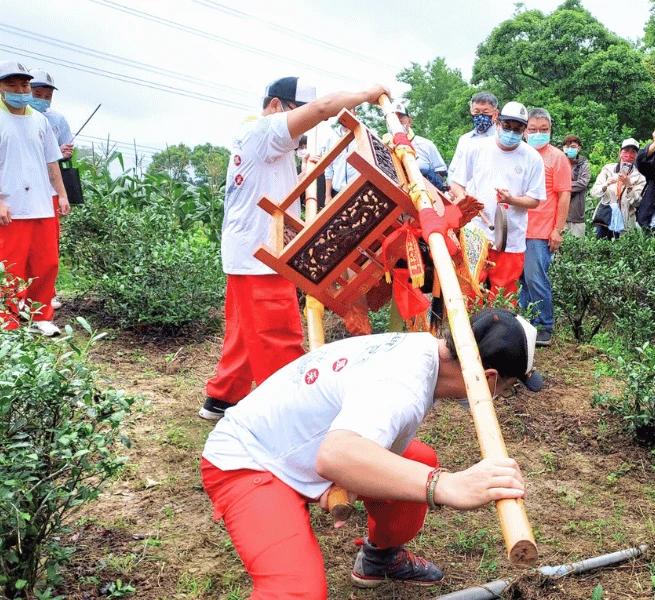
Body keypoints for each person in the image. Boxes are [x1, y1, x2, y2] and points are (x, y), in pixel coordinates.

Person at [201, 307, 533, 598]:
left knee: (419, 461)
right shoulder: (403, 385)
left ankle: (380, 560)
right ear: (488, 379)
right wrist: (446, 485)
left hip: (293, 442)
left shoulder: (422, 349)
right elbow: (336, 455)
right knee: (297, 591)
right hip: (249, 461)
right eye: (507, 387)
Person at [200, 77, 389, 420]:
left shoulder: (264, 141)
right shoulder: (267, 130)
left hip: (248, 250)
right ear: (275, 105)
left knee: (243, 335)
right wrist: (367, 94)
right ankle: (292, 415)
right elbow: (320, 110)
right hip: (261, 256)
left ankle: (222, 398)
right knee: (279, 338)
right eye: (296, 113)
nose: (304, 124)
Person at [449, 102, 545, 302]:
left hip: (510, 238)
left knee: (504, 294)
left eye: (517, 128)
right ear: (497, 121)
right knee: (468, 287)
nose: (511, 132)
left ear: (524, 129)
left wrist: (512, 200)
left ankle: (500, 331)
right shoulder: (476, 148)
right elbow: (456, 184)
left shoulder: (532, 158)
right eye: (507, 125)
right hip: (476, 232)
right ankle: (465, 332)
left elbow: (535, 200)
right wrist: (467, 202)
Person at [0, 60, 69, 336]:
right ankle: (9, 318)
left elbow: (52, 162)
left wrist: (62, 195)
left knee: (47, 261)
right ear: (1, 88)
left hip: (42, 203)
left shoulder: (40, 121)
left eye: (24, 84)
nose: (20, 89)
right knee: (10, 266)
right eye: (12, 84)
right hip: (11, 205)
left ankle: (41, 315)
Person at [519, 107, 571, 351]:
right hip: (517, 229)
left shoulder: (557, 158)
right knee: (522, 281)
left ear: (551, 130)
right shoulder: (519, 154)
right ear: (525, 130)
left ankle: (544, 326)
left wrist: (557, 229)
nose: (538, 133)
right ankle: (525, 323)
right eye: (533, 129)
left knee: (536, 279)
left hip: (540, 231)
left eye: (544, 130)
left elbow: (563, 196)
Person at [30, 69, 73, 312]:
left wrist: (65, 153)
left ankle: (47, 294)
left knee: (48, 246)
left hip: (49, 191)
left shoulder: (56, 120)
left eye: (47, 95)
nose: (42, 99)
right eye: (38, 93)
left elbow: (61, 153)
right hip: (21, 191)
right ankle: (17, 295)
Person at [590, 138, 646, 239]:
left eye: (633, 152)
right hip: (605, 219)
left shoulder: (640, 177)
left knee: (621, 253)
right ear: (620, 153)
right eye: (626, 151)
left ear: (636, 156)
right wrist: (606, 184)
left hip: (626, 223)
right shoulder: (608, 169)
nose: (629, 155)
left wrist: (629, 186)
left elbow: (637, 203)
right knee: (600, 250)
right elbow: (594, 193)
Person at [447, 92, 499, 187]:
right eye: (477, 112)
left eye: (485, 112)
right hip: (466, 196)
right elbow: (453, 170)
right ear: (471, 111)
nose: (480, 116)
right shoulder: (465, 140)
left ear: (495, 114)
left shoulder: (500, 139)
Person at [393, 102, 448, 191]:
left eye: (401, 116)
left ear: (409, 121)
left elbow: (441, 172)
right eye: (394, 117)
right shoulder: (385, 147)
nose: (398, 120)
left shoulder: (426, 144)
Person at [323, 120, 359, 205]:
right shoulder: (331, 138)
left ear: (355, 112)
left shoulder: (361, 134)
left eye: (350, 109)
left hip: (359, 190)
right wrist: (328, 195)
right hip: (338, 192)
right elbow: (328, 168)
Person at [562, 134, 590, 237]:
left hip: (577, 215)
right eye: (567, 146)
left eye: (573, 147)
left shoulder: (584, 163)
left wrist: (562, 186)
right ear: (563, 148)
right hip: (559, 213)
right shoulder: (559, 161)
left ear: (579, 148)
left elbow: (583, 183)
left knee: (577, 248)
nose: (570, 149)